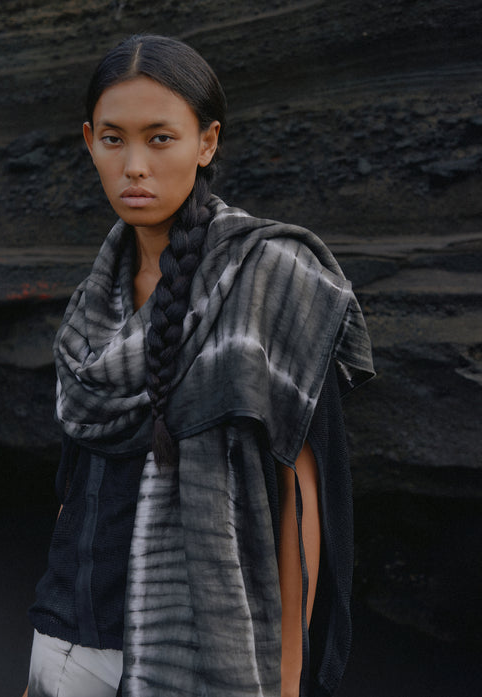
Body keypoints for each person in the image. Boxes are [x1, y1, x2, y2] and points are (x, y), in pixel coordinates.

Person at [23, 34, 374, 697]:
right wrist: (40, 654)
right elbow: (75, 490)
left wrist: (290, 679)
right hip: (66, 641)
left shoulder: (267, 277)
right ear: (88, 141)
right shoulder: (91, 305)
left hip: (196, 653)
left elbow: (302, 500)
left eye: (160, 138)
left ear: (206, 143)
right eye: (113, 139)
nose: (134, 166)